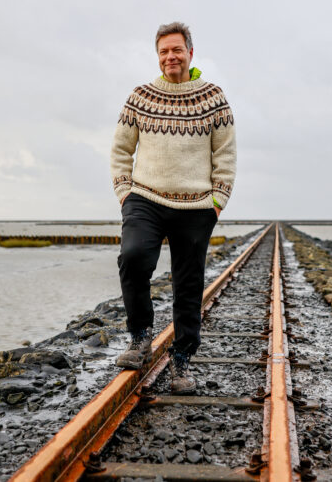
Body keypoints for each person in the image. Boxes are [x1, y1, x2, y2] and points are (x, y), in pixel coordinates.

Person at [109, 22, 236, 394]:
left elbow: (225, 154)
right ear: (158, 55)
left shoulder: (213, 97)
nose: (170, 57)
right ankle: (140, 337)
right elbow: (120, 150)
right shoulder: (140, 96)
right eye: (164, 51)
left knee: (188, 284)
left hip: (196, 207)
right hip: (144, 199)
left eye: (177, 50)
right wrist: (124, 192)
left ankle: (181, 363)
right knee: (133, 258)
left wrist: (217, 201)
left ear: (191, 53)